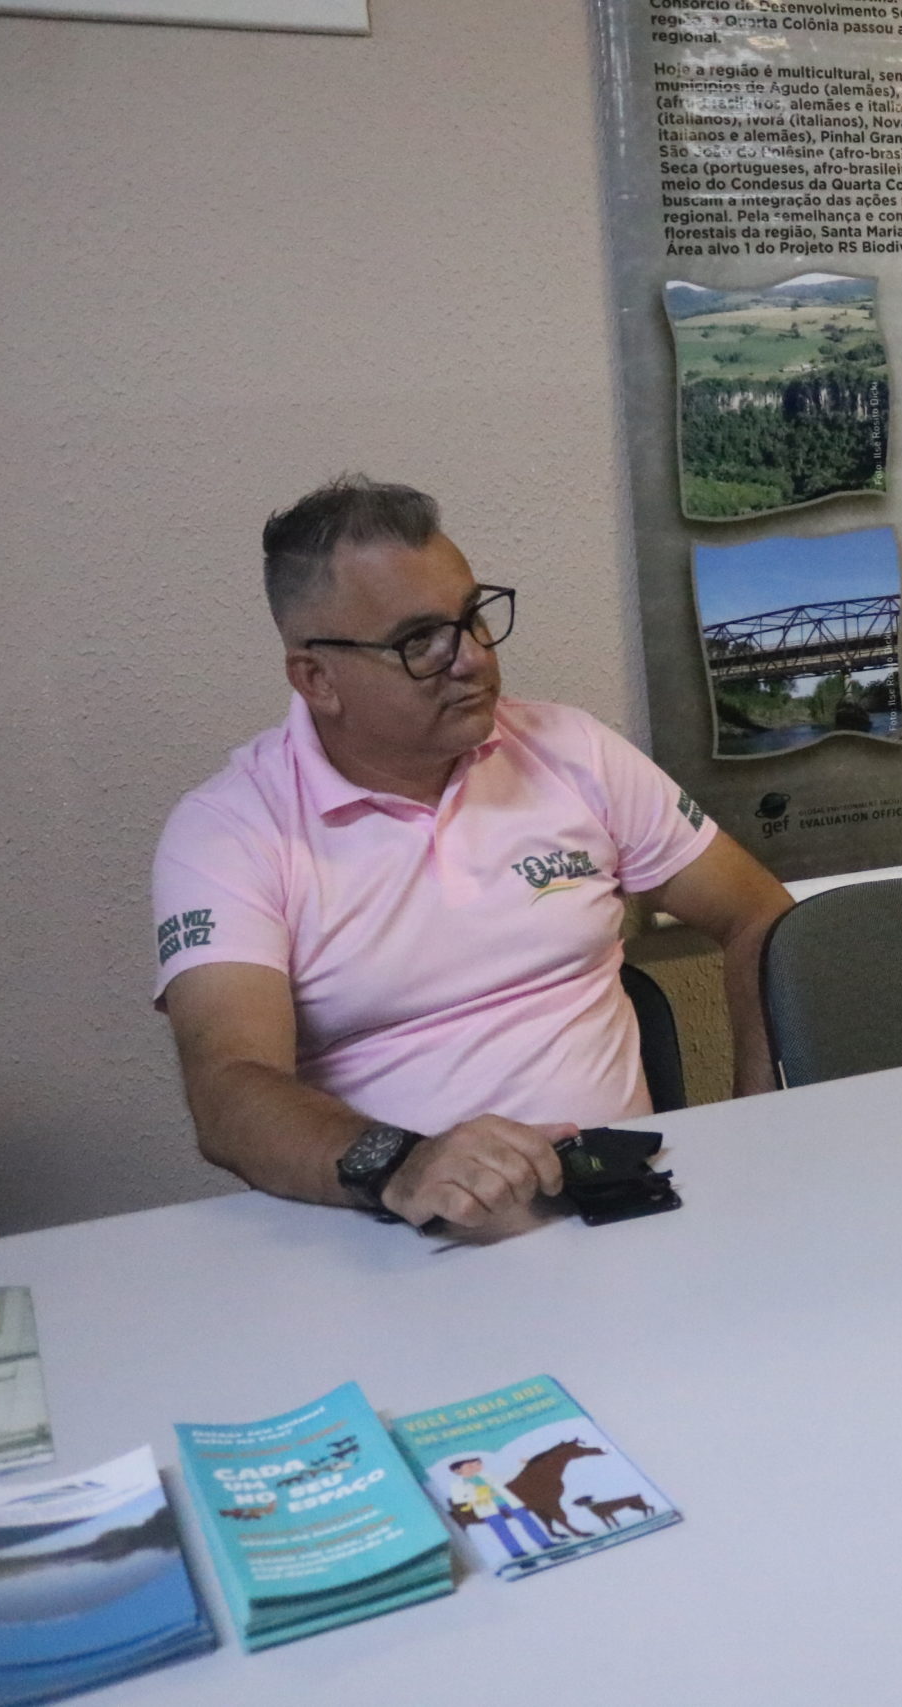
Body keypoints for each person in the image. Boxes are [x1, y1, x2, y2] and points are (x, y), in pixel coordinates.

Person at [151, 476, 795, 1231]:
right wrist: (399, 1164)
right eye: (418, 641)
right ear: (316, 677)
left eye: (473, 618)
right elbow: (228, 1086)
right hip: (394, 1236)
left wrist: (764, 1118)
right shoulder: (228, 830)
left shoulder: (572, 750)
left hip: (617, 1211)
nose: (471, 659)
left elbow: (758, 914)